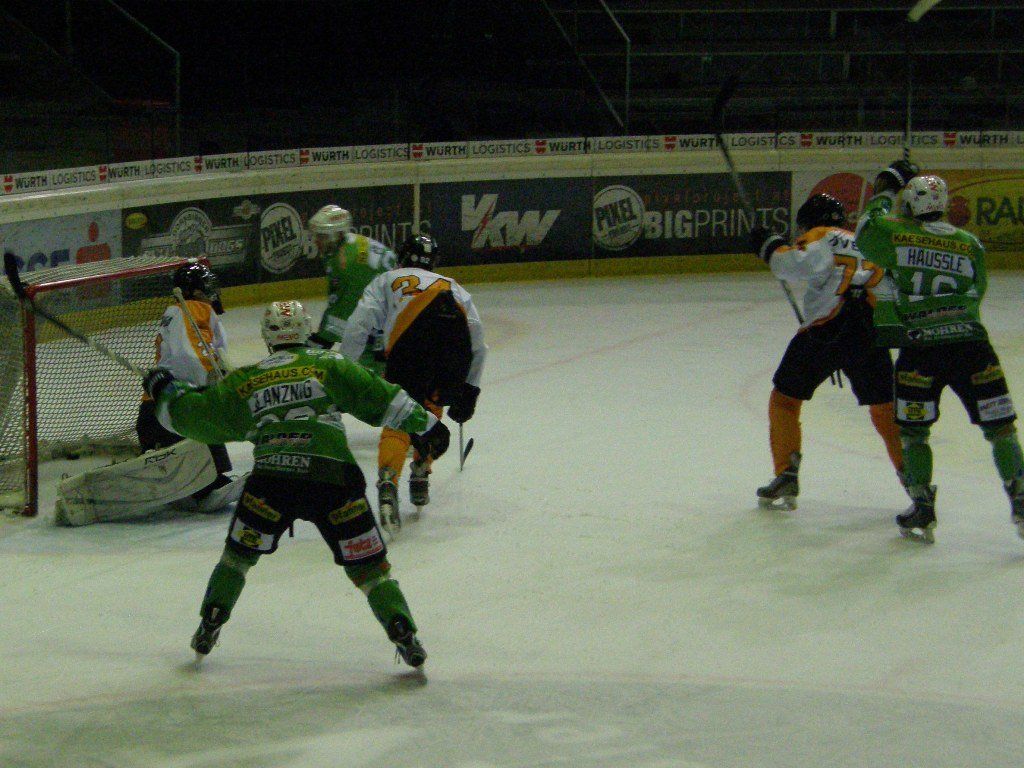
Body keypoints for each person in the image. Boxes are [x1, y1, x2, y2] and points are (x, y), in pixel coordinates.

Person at [142, 300, 450, 666]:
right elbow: (378, 396)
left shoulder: (246, 380)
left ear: (267, 336)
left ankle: (210, 622)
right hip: (334, 480)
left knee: (237, 558)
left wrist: (166, 392)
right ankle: (403, 632)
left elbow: (198, 415)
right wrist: (427, 425)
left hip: (271, 484)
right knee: (370, 571)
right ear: (306, 329)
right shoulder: (329, 364)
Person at [855, 160, 1024, 542]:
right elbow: (978, 290)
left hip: (920, 351)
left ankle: (922, 506)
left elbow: (864, 232)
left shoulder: (898, 235)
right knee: (1000, 427)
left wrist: (886, 189)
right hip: (972, 347)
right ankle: (1021, 498)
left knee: (914, 432)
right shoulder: (970, 244)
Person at [749, 194, 904, 510]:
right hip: (870, 332)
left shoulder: (822, 235)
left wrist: (767, 244)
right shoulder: (867, 244)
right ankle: (915, 482)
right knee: (886, 409)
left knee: (785, 399)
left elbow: (788, 265)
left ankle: (786, 472)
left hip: (827, 330)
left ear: (809, 222)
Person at [340, 234, 487, 536]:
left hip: (406, 352)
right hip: (448, 356)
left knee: (399, 417)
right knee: (430, 408)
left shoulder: (385, 280)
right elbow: (478, 346)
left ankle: (388, 480)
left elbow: (358, 325)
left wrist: (344, 371)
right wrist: (469, 391)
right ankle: (421, 469)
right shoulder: (453, 286)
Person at [135, 261, 233, 497]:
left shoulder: (176, 312)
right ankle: (203, 483)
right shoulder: (194, 308)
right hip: (176, 412)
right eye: (207, 285)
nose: (212, 291)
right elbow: (189, 356)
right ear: (195, 291)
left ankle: (180, 474)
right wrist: (213, 389)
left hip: (152, 413)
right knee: (212, 480)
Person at [306, 204, 398, 374]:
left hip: (387, 322)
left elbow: (343, 310)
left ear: (336, 235)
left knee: (360, 374)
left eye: (321, 236)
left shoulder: (346, 263)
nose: (316, 241)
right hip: (391, 310)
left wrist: (319, 341)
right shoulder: (348, 245)